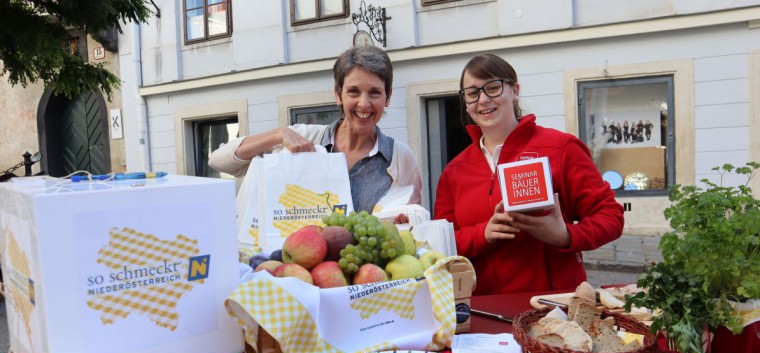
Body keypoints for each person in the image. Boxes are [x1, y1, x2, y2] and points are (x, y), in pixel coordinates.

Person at [434, 54, 624, 295]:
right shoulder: (454, 171)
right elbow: (443, 243)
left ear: (515, 90)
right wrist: (482, 234)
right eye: (472, 93)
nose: (483, 99)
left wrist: (565, 235)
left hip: (551, 306)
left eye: (493, 88)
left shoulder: (560, 148)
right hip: (483, 311)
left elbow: (611, 216)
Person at [209, 46, 422, 216]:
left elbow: (413, 225)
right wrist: (278, 135)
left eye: (374, 93)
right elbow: (219, 161)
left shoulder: (400, 158)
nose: (364, 104)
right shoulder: (304, 137)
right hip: (294, 268)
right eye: (353, 92)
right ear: (338, 95)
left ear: (388, 96)